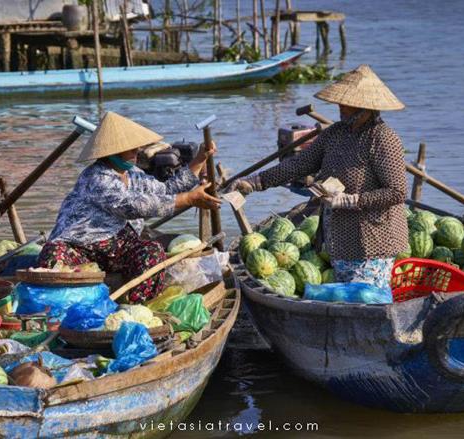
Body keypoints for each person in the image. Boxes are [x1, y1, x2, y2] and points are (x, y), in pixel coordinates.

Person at [230, 65, 408, 295]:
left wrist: (350, 200)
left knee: (366, 299)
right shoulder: (335, 133)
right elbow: (299, 164)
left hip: (374, 240)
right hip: (340, 237)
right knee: (347, 298)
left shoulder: (383, 139)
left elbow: (396, 192)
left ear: (365, 107)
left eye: (347, 103)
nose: (340, 107)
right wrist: (256, 182)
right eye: (340, 102)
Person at [38, 111, 221, 303]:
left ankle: (131, 306)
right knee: (52, 255)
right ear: (113, 152)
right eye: (130, 147)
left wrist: (200, 159)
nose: (137, 150)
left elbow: (167, 190)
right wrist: (189, 199)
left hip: (118, 246)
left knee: (152, 253)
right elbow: (132, 207)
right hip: (79, 246)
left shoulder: (133, 173)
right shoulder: (96, 177)